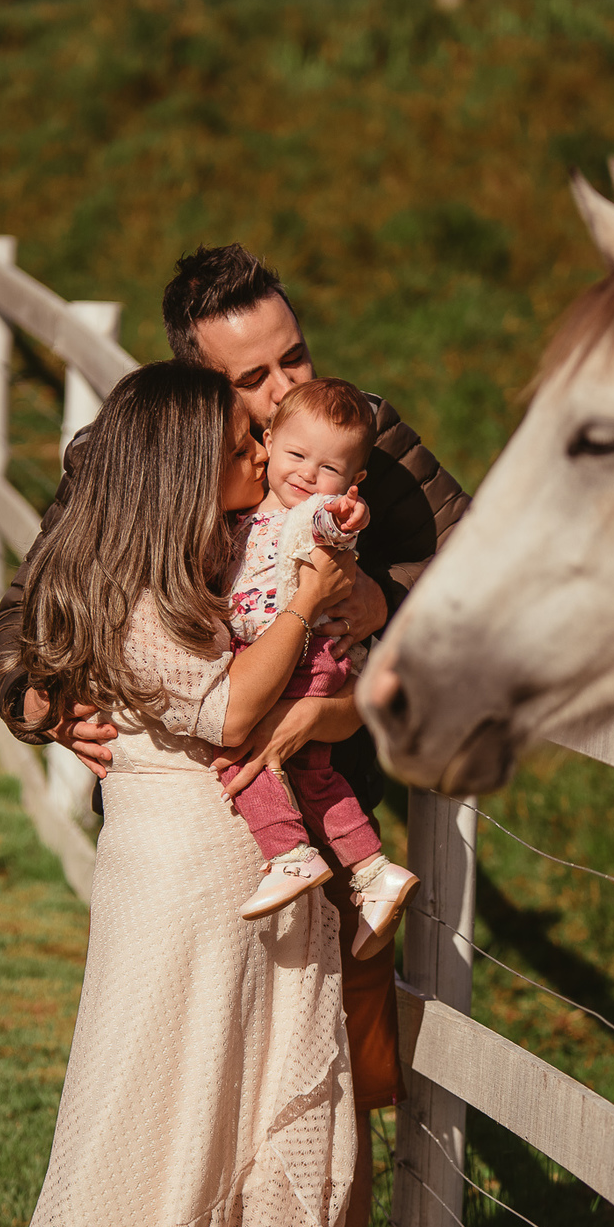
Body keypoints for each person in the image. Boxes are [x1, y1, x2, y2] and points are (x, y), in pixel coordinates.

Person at [0, 245, 470, 1227]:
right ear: (197, 377)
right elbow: (46, 590)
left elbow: (473, 573)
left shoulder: (364, 437)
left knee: (319, 1102)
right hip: (194, 829)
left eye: (291, 353)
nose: (283, 387)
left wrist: (378, 607)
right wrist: (35, 699)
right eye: (253, 375)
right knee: (185, 1100)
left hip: (331, 815)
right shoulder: (163, 439)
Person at [0, 361, 359, 1227]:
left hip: (273, 872)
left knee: (263, 1131)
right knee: (167, 1130)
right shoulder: (140, 591)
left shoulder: (242, 545)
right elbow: (226, 711)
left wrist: (332, 595)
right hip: (177, 875)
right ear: (181, 461)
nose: (262, 457)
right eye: (241, 441)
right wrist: (313, 601)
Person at [222, 377, 420, 960]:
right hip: (287, 657)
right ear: (267, 441)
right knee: (314, 774)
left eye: (329, 468)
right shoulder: (250, 514)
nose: (308, 474)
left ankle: (289, 854)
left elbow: (333, 524)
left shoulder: (310, 513)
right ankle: (371, 873)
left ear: (353, 481)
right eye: (296, 455)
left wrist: (343, 514)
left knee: (240, 754)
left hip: (308, 659)